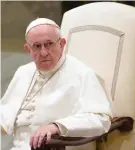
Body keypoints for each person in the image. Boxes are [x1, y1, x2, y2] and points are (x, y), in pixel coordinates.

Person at [0, 18, 114, 150]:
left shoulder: (82, 74)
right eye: (37, 46)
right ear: (28, 49)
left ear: (62, 44)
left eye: (49, 44)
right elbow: (5, 114)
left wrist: (57, 126)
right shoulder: (23, 72)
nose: (43, 52)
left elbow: (101, 120)